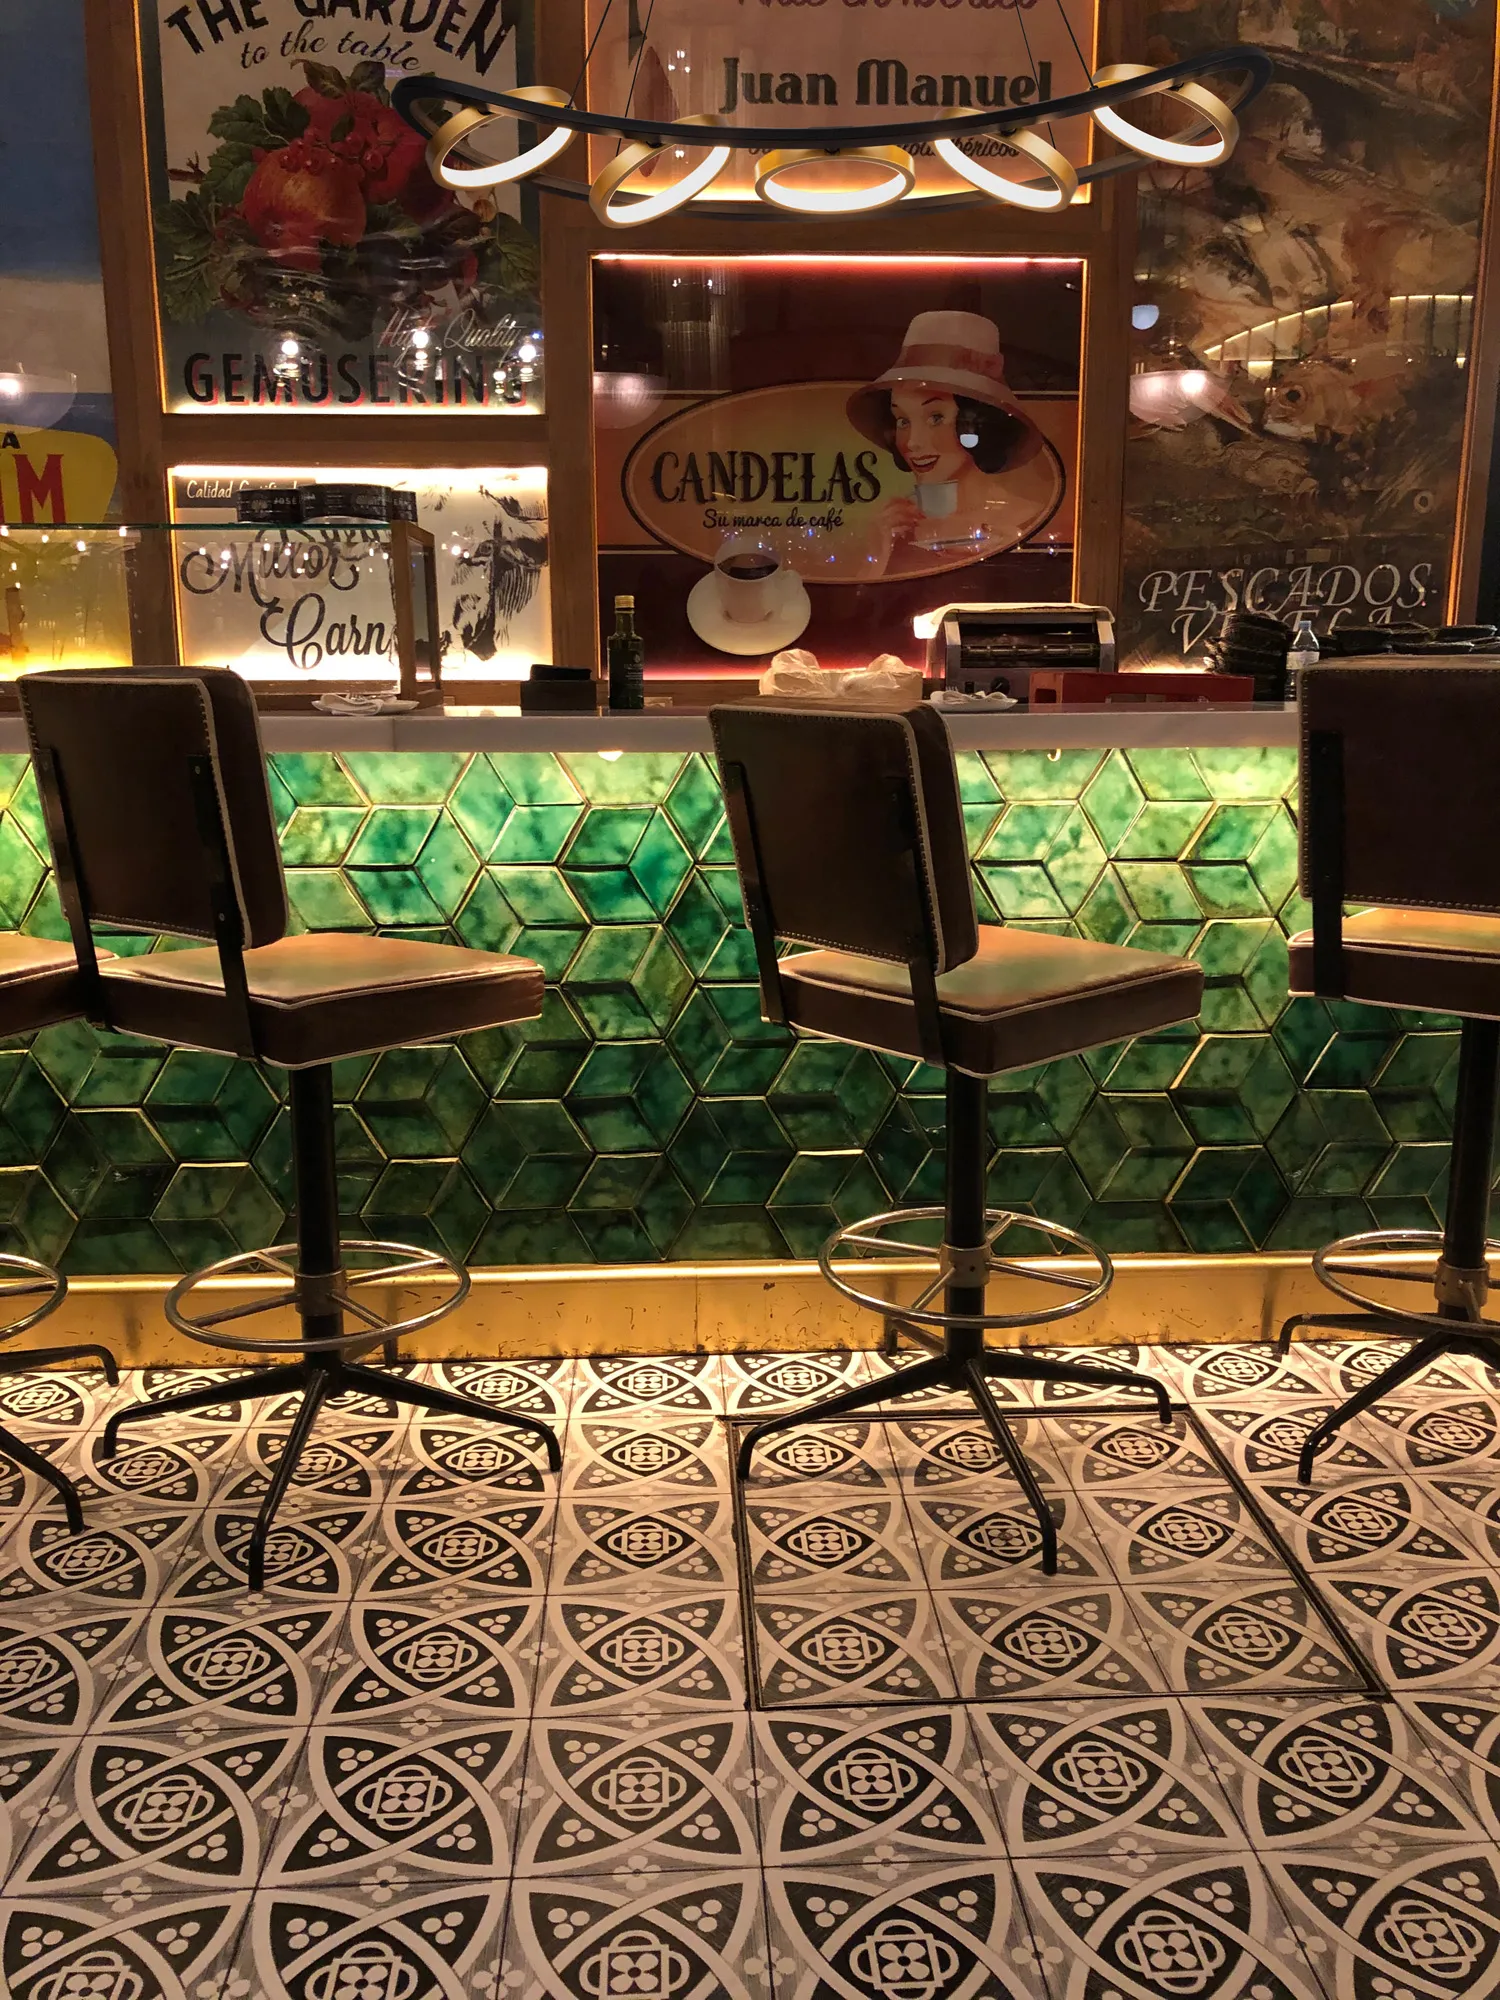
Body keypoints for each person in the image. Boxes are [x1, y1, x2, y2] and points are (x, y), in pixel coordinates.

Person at [847, 310, 1062, 574]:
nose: (913, 442)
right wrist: (876, 557)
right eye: (902, 420)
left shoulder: (1029, 522)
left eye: (936, 417)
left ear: (977, 423)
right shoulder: (892, 525)